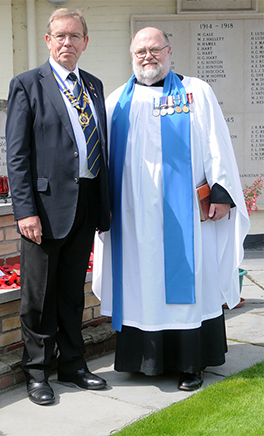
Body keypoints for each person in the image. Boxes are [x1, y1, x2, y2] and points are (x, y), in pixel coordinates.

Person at [93, 27, 250, 391]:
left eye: (154, 50)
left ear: (168, 51)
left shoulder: (197, 93)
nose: (147, 57)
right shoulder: (117, 101)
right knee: (141, 284)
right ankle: (142, 360)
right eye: (140, 52)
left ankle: (190, 363)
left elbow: (217, 143)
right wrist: (104, 209)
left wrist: (223, 194)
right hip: (133, 217)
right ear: (131, 56)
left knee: (190, 284)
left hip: (186, 218)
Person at [6, 8, 110, 405]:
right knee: (39, 295)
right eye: (60, 36)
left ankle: (73, 365)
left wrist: (103, 205)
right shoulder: (27, 85)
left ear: (86, 42)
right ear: (48, 40)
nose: (68, 43)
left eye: (76, 36)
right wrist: (24, 211)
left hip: (85, 201)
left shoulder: (95, 85)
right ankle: (36, 372)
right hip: (45, 210)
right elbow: (17, 156)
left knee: (70, 292)